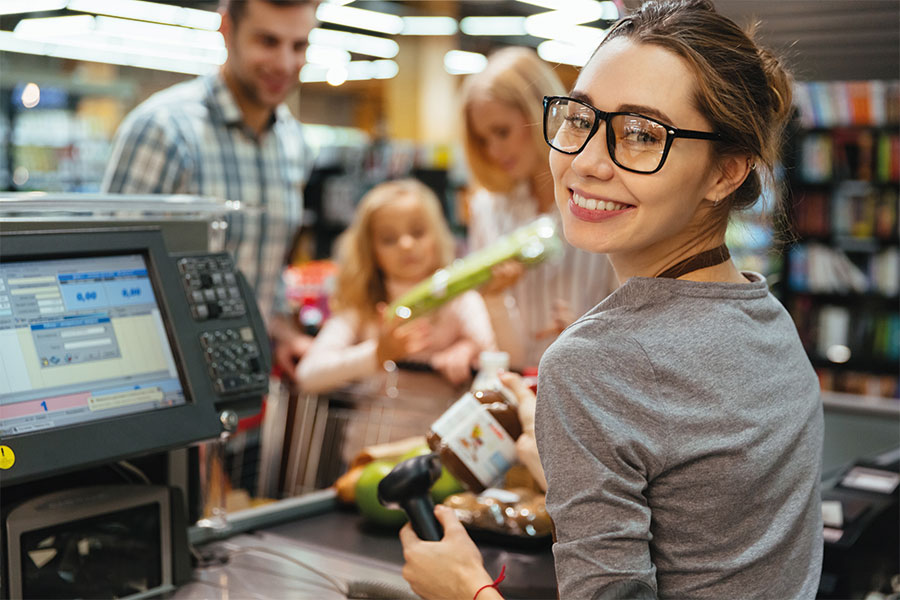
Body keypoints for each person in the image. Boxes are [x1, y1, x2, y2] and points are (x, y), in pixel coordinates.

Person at [399, 2, 824, 599]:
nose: (587, 161)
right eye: (580, 119)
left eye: (642, 134)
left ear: (725, 172)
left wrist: (465, 589)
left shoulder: (591, 363)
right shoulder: (766, 317)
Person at [102, 0, 317, 379]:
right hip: (167, 391)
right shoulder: (164, 131)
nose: (285, 64)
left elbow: (266, 268)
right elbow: (108, 273)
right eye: (268, 41)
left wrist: (282, 332)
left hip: (247, 385)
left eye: (299, 46)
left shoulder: (294, 143)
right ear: (227, 30)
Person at [462, 47, 618, 370]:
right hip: (517, 382)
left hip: (590, 381)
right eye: (482, 139)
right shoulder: (487, 209)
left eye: (502, 132)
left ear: (539, 113)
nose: (493, 150)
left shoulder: (602, 198)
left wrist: (588, 335)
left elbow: (629, 317)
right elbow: (490, 330)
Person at [296, 178, 496, 394]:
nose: (406, 245)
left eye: (418, 232)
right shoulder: (362, 303)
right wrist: (378, 354)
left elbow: (495, 359)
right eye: (389, 239)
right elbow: (307, 375)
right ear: (370, 250)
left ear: (437, 235)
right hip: (371, 426)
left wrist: (468, 349)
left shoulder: (461, 299)